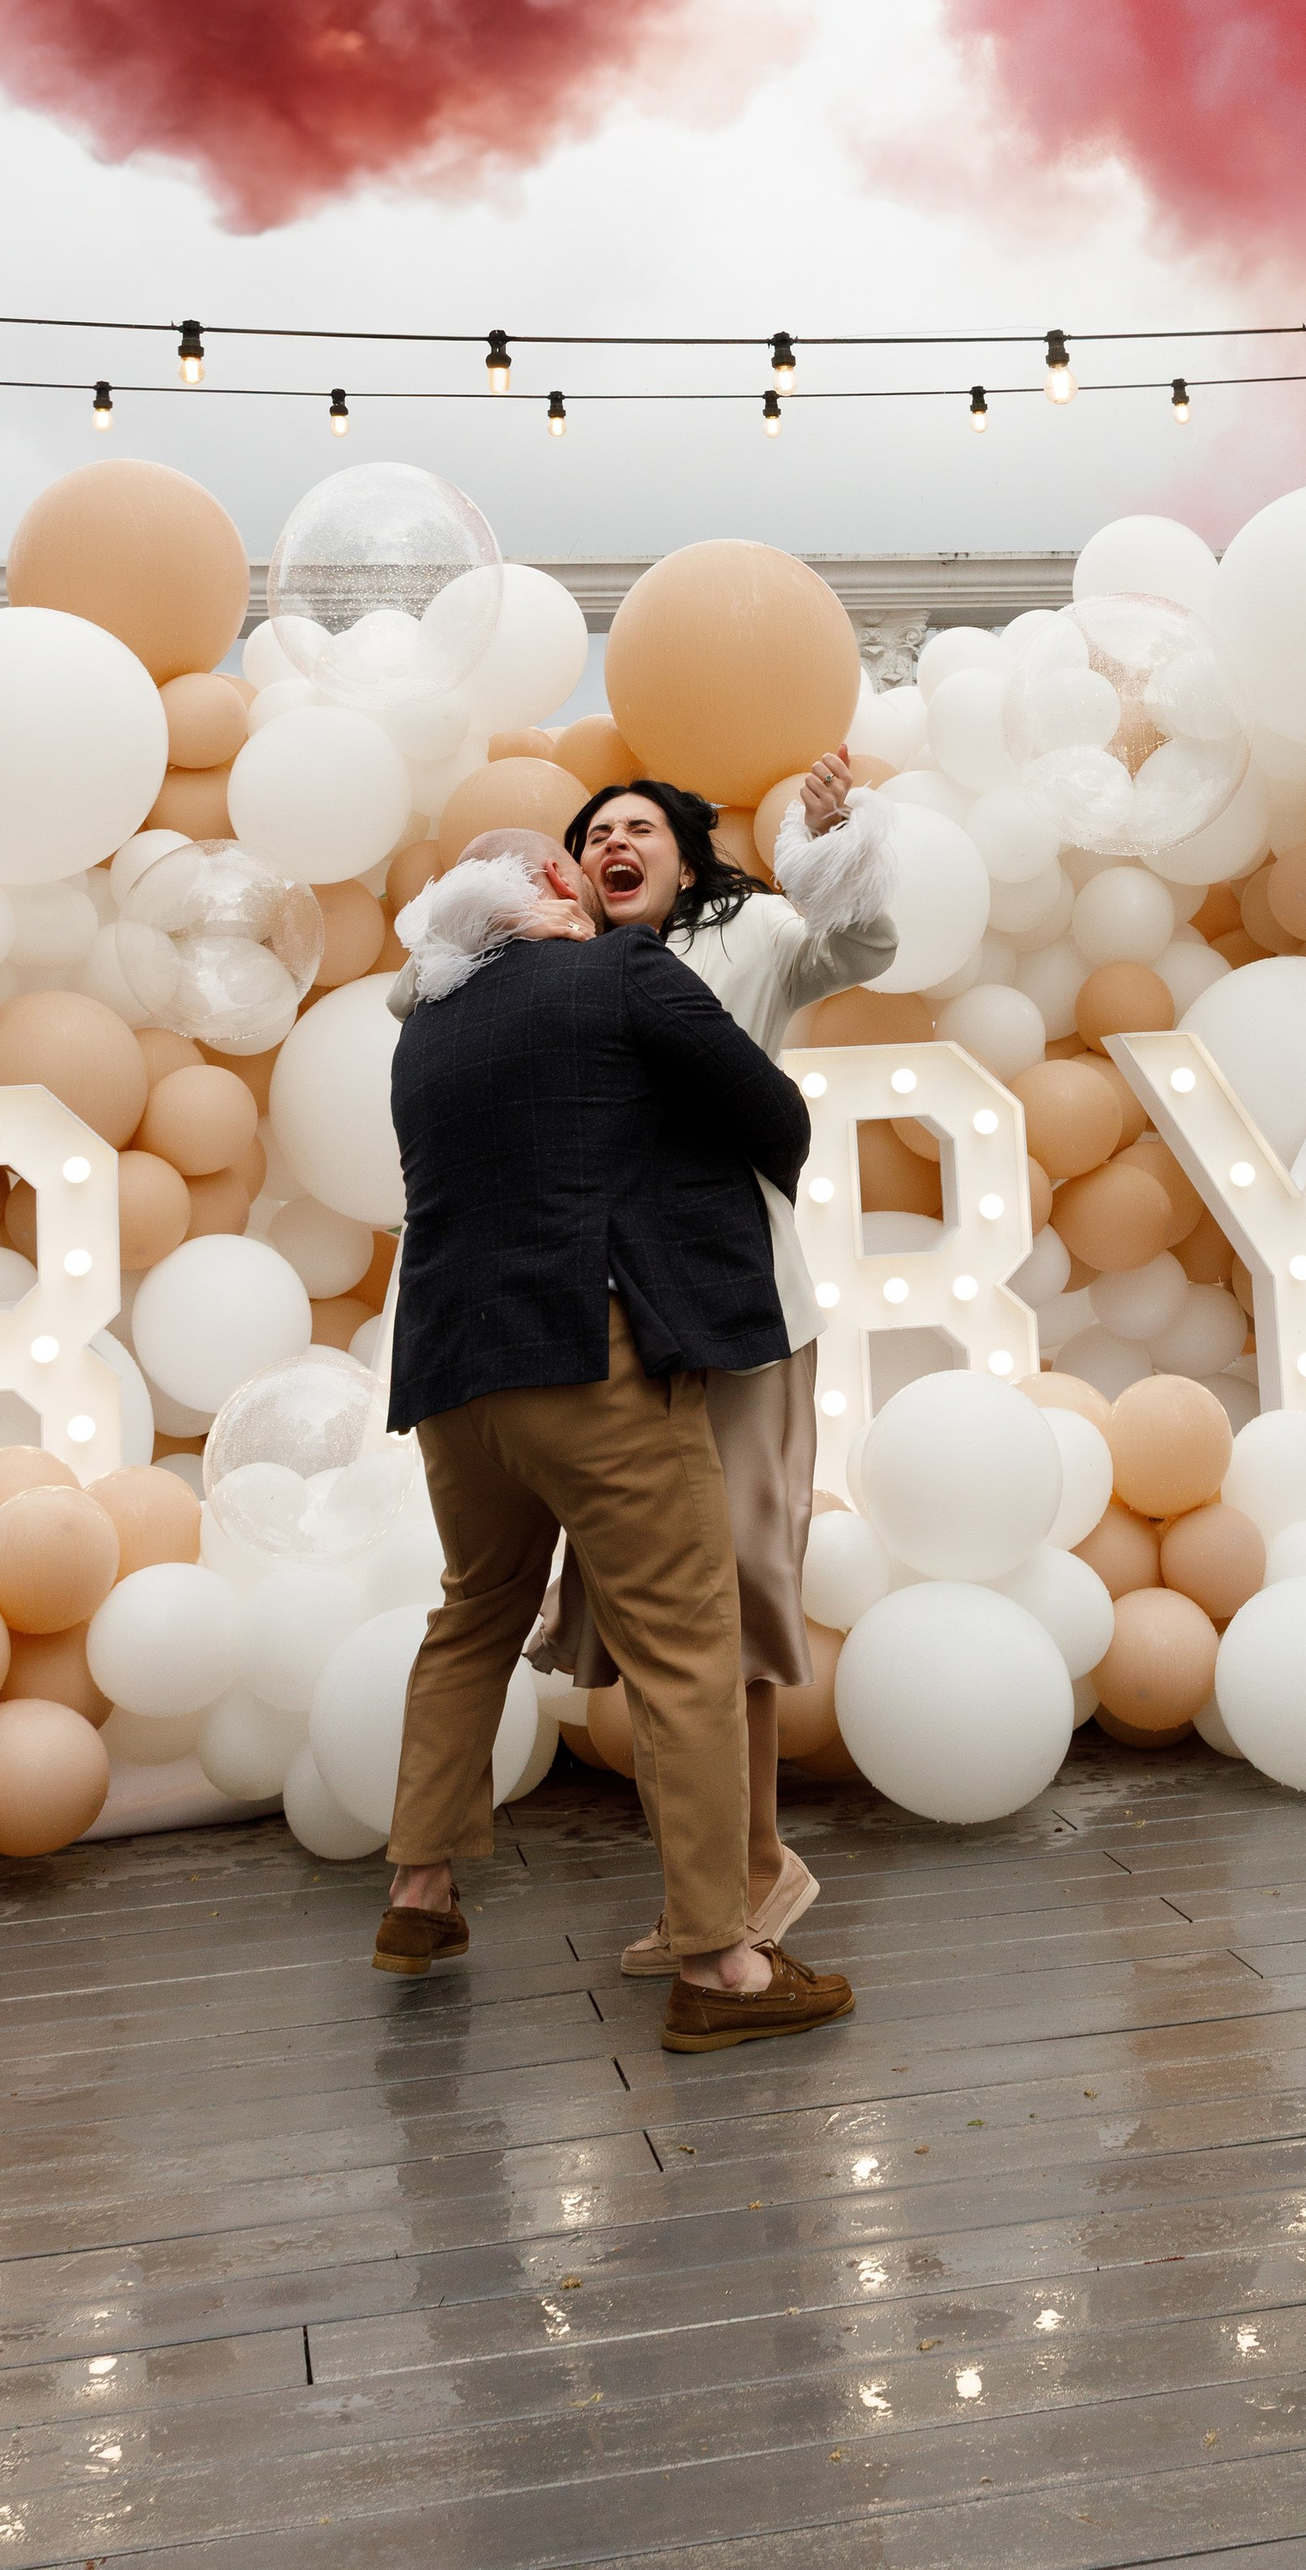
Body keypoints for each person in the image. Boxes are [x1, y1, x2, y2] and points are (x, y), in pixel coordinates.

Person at [377, 825, 853, 2053]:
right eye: (577, 868)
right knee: (686, 1644)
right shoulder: (623, 970)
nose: (600, 880)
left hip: (446, 1372)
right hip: (585, 1356)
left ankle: (418, 1892)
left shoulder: (424, 1027)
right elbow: (768, 1108)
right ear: (547, 889)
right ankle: (720, 1961)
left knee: (471, 1613)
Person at [553, 753, 895, 1970]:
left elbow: (856, 950)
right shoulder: (560, 974)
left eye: (638, 825)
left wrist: (837, 846)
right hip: (613, 1328)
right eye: (594, 833)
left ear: (684, 858)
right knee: (649, 1614)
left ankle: (757, 1867)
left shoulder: (747, 932)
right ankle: (703, 1895)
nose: (614, 841)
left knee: (737, 1592)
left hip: (745, 1316)